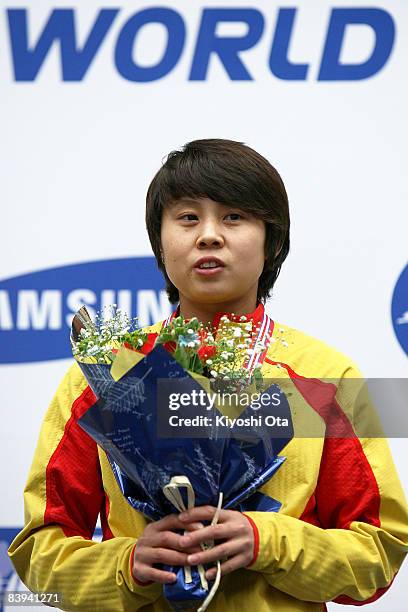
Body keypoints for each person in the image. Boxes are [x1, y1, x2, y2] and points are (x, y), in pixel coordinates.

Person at [8, 139, 408, 611]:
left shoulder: (325, 377)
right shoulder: (105, 375)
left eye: (234, 217)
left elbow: (378, 555)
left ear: (272, 240)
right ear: (160, 241)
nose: (209, 236)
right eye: (188, 218)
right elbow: (38, 553)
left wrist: (267, 541)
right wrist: (128, 563)